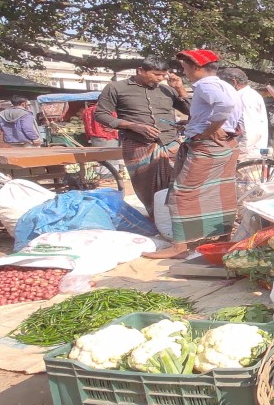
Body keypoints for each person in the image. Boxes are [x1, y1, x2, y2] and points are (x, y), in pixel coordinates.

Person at [143, 49, 240, 259]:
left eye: (185, 67)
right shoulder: (225, 85)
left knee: (181, 193)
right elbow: (226, 110)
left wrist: (210, 130)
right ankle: (222, 237)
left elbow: (225, 106)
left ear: (196, 67)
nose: (183, 71)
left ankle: (179, 246)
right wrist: (201, 124)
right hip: (225, 144)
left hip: (207, 146)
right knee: (219, 191)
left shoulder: (206, 84)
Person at [93, 57, 190, 218]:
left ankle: (180, 221)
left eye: (163, 75)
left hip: (170, 143)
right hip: (138, 145)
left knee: (180, 185)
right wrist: (133, 126)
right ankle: (158, 221)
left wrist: (180, 89)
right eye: (156, 74)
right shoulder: (115, 88)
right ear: (140, 71)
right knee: (148, 190)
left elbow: (191, 111)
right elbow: (101, 115)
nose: (160, 78)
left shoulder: (168, 89)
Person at [219, 68, 269, 158]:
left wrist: (241, 149)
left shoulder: (244, 98)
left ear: (233, 82)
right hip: (249, 149)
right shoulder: (249, 94)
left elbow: (249, 128)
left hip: (248, 152)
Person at [80, 101, 122, 179]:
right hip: (108, 137)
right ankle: (110, 178)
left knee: (100, 159)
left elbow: (86, 126)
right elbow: (114, 123)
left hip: (95, 138)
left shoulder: (87, 111)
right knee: (111, 158)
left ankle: (102, 176)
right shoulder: (107, 110)